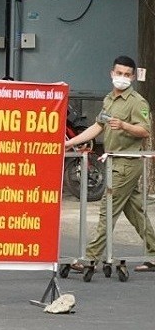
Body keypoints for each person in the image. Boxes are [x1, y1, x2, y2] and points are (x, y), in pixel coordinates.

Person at [66, 55, 155, 273]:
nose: (122, 78)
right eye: (119, 73)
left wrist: (124, 125)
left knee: (108, 209)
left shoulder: (136, 102)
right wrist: (70, 143)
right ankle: (154, 253)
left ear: (133, 77)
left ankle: (90, 258)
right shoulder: (109, 99)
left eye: (127, 74)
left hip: (126, 163)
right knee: (135, 210)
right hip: (114, 161)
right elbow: (98, 127)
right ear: (111, 73)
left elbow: (145, 131)